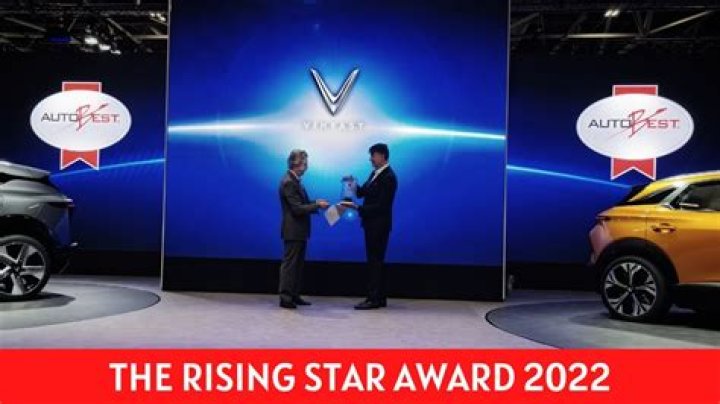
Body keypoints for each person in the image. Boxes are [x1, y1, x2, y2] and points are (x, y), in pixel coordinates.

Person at [342, 143, 398, 310]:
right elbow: (362, 193)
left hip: (379, 226)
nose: (370, 159)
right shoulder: (375, 173)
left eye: (372, 156)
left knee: (375, 262)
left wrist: (358, 208)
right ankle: (379, 297)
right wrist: (352, 184)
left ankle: (373, 299)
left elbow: (382, 206)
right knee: (375, 261)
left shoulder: (389, 177)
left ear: (382, 156)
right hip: (371, 225)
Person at [278, 149, 328, 309]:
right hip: (293, 230)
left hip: (299, 230)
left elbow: (302, 203)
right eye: (305, 162)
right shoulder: (289, 182)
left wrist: (316, 202)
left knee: (297, 265)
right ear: (297, 163)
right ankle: (286, 297)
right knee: (290, 265)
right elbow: (297, 209)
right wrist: (317, 206)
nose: (306, 166)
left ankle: (294, 295)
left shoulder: (295, 180)